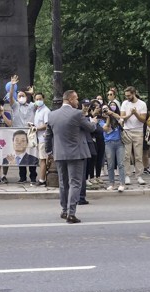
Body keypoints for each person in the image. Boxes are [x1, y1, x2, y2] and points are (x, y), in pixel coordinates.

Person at [45, 90, 97, 224]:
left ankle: (64, 210)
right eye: (76, 99)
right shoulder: (77, 114)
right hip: (76, 153)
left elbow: (48, 136)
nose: (78, 102)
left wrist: (49, 151)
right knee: (75, 183)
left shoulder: (52, 115)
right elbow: (90, 128)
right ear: (70, 99)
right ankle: (71, 213)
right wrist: (94, 121)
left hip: (59, 153)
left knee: (63, 183)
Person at [8, 75, 37, 184]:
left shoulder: (31, 106)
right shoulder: (15, 106)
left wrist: (33, 94)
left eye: (23, 95)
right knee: (21, 155)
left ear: (26, 97)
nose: (21, 97)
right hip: (19, 135)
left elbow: (38, 103)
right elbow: (10, 97)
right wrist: (12, 85)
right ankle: (22, 177)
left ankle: (33, 177)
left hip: (30, 134)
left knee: (32, 155)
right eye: (19, 96)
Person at [120, 86, 148, 185]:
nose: (127, 97)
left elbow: (143, 120)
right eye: (126, 96)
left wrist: (135, 113)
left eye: (129, 95)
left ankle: (139, 175)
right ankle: (127, 175)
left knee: (138, 155)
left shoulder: (142, 104)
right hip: (127, 130)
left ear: (134, 93)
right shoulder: (124, 103)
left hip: (138, 131)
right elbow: (122, 117)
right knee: (126, 155)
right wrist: (130, 114)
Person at [100, 103, 125, 192]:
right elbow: (106, 129)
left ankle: (122, 184)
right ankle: (112, 184)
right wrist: (107, 118)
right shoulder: (101, 120)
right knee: (110, 165)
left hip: (119, 142)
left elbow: (121, 119)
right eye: (103, 109)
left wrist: (111, 113)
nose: (105, 111)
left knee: (121, 164)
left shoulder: (114, 117)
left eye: (107, 109)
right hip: (108, 143)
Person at [31, 92, 50, 186]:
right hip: (38, 138)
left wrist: (36, 128)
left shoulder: (46, 111)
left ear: (43, 99)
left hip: (44, 138)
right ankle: (43, 178)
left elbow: (47, 125)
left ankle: (42, 179)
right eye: (36, 99)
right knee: (41, 159)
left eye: (40, 99)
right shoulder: (38, 110)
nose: (38, 101)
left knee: (43, 159)